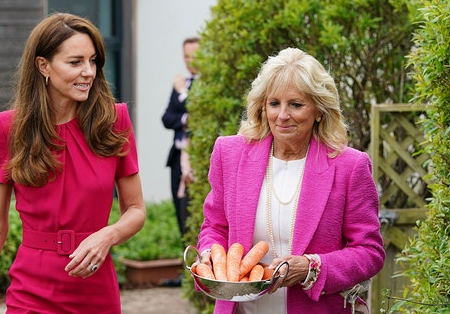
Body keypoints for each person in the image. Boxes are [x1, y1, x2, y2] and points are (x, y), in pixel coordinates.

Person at [0, 13, 146, 313]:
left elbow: (136, 209)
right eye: (75, 62)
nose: (88, 71)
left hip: (95, 286)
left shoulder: (114, 121)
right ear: (43, 65)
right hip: (31, 290)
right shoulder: (10, 129)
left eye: (93, 61)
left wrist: (107, 235)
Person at [195, 47, 385, 314]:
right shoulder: (230, 154)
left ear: (319, 110)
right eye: (274, 103)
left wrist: (312, 267)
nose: (282, 115)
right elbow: (215, 226)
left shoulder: (349, 166)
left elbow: (369, 252)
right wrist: (210, 255)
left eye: (295, 104)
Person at [162, 36, 200, 238]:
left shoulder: (208, 84)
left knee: (197, 213)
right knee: (180, 212)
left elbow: (201, 114)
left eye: (194, 56)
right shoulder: (182, 82)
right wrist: (185, 118)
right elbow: (167, 118)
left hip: (199, 158)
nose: (190, 61)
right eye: (186, 56)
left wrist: (183, 93)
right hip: (178, 156)